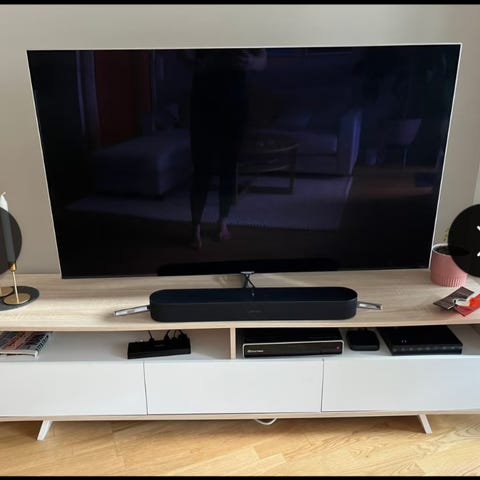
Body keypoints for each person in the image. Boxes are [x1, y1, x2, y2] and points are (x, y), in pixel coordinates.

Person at [188, 48, 267, 249]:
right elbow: (182, 53)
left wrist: (250, 61)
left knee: (229, 166)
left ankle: (222, 221)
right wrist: (201, 62)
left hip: (235, 103)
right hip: (204, 103)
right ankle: (195, 226)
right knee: (201, 167)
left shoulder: (244, 30)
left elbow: (262, 59)